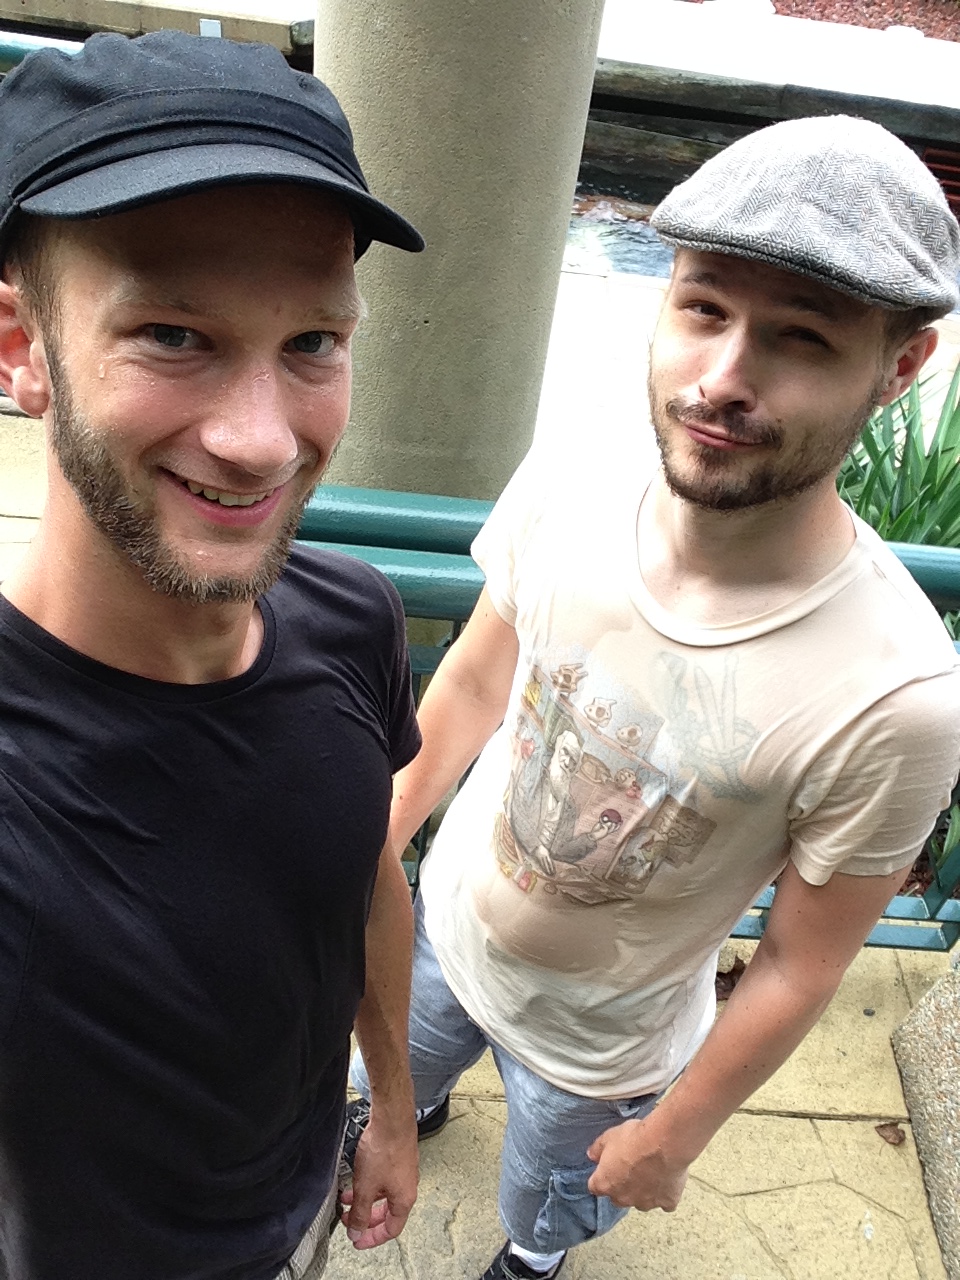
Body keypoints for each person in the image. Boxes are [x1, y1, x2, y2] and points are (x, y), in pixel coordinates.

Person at [347, 115, 960, 1280]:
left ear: (901, 364)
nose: (721, 379)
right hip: (444, 928)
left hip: (603, 1053)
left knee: (547, 1199)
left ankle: (532, 1256)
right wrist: (376, 841)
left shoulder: (899, 693)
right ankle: (416, 1105)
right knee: (400, 1075)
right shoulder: (577, 470)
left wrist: (676, 1132)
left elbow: (801, 960)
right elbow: (477, 678)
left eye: (800, 337)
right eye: (703, 308)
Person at [0, 29, 426, 1280]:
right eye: (174, 334)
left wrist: (390, 1101)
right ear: (21, 346)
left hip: (300, 1209)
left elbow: (360, 870)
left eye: (312, 342)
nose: (261, 440)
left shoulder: (354, 615)